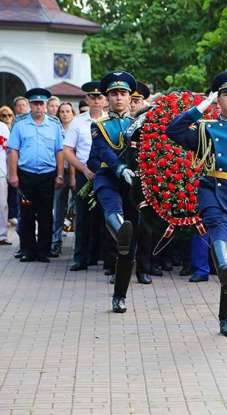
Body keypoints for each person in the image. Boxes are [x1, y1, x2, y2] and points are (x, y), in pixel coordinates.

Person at [167, 69, 227, 336]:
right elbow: (173, 130)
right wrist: (202, 106)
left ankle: (226, 317)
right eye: (225, 94)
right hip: (213, 190)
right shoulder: (206, 128)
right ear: (218, 99)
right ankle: (223, 265)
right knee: (217, 230)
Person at [87, 71, 140, 313]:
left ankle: (120, 296)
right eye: (114, 94)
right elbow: (104, 152)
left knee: (128, 251)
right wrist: (120, 169)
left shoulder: (139, 124)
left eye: (123, 93)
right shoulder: (98, 125)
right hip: (109, 178)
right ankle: (120, 231)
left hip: (134, 184)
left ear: (130, 98)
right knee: (112, 210)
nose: (118, 97)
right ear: (107, 98)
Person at [7, 88, 64, 262]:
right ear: (30, 105)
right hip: (26, 176)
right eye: (35, 104)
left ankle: (43, 251)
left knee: (46, 214)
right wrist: (13, 175)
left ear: (45, 105)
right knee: (26, 214)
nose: (38, 107)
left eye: (41, 104)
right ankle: (27, 250)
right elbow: (13, 151)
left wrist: (60, 175)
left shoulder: (54, 125)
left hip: (47, 175)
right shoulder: (20, 125)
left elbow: (59, 151)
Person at [63, 81, 107, 271]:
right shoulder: (78, 122)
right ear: (87, 99)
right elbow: (67, 150)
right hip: (85, 173)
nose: (96, 100)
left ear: (105, 99)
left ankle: (104, 258)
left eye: (99, 97)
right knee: (83, 217)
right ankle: (80, 257)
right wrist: (84, 169)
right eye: (92, 97)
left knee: (105, 216)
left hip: (106, 174)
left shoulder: (110, 120)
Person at [125, 81, 155, 285]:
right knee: (126, 228)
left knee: (146, 228)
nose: (134, 104)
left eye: (137, 101)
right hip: (126, 180)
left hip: (147, 181)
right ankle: (121, 268)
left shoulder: (150, 122)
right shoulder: (123, 123)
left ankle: (144, 269)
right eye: (132, 100)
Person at [50, 102, 76, 257]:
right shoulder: (55, 130)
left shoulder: (77, 128)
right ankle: (56, 242)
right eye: (62, 111)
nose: (65, 114)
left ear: (73, 113)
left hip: (76, 172)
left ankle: (78, 245)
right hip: (59, 172)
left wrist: (73, 176)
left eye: (68, 111)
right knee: (58, 209)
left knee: (76, 209)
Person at [0, 120, 10, 246]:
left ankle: (2, 235)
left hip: (1, 172)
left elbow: (9, 150)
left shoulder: (2, 127)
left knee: (2, 204)